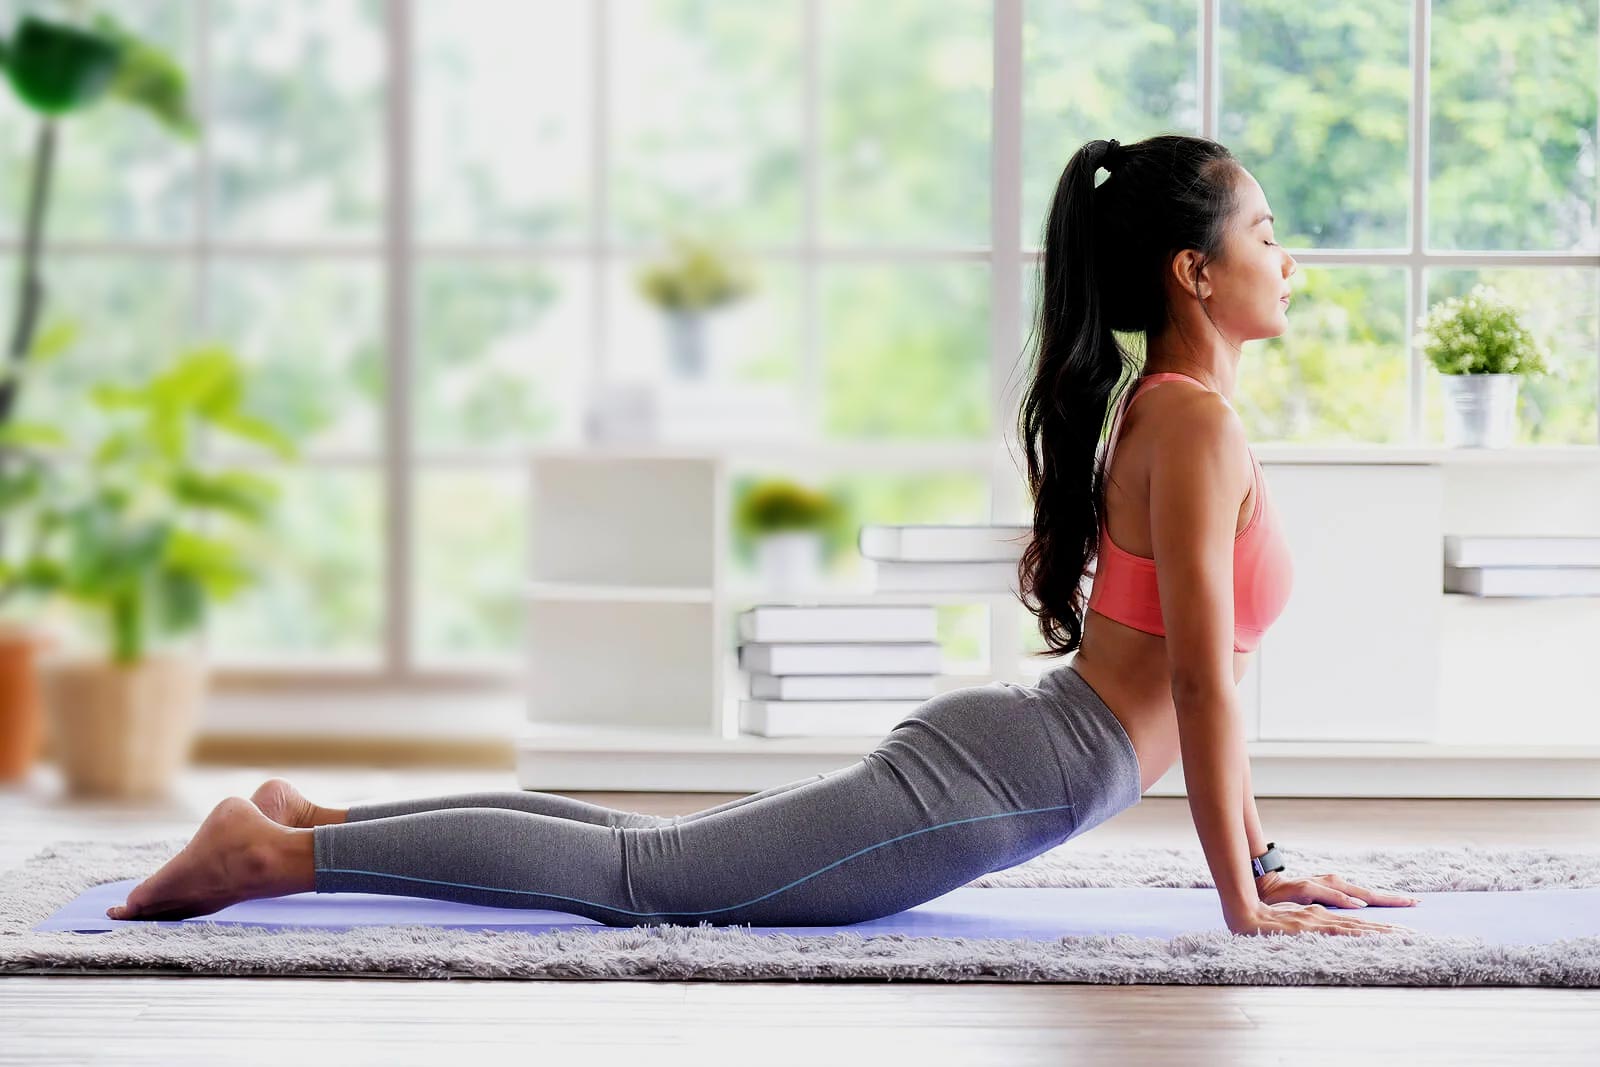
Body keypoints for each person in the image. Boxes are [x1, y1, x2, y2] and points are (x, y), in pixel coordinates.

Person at [105, 135, 1418, 937]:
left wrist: (1266, 857)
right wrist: (1242, 897)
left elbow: (1201, 682)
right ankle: (276, 855)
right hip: (1010, 774)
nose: (1287, 260)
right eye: (1265, 235)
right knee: (646, 878)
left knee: (644, 848)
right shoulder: (1194, 426)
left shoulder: (1183, 415)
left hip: (1018, 754)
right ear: (1196, 272)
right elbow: (1195, 683)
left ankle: (313, 815)